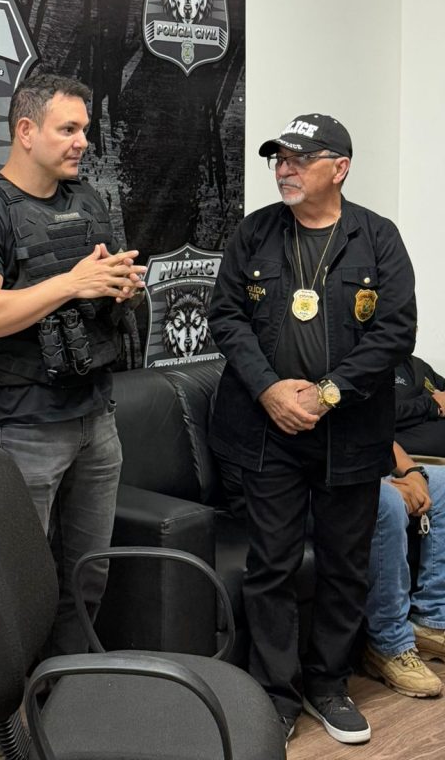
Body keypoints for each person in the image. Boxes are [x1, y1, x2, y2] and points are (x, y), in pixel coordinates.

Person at [208, 113, 416, 745]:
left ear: (340, 168)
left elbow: (395, 331)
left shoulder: (377, 238)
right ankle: (274, 694)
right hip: (267, 431)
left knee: (345, 565)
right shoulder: (254, 233)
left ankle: (328, 685)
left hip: (349, 434)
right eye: (280, 159)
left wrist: (327, 394)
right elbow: (225, 317)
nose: (285, 169)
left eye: (300, 158)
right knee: (270, 566)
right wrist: (271, 389)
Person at [0, 72, 144, 654]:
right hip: (26, 426)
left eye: (85, 128)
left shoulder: (87, 199)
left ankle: (68, 693)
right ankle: (15, 710)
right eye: (68, 129)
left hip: (97, 420)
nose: (83, 141)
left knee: (88, 579)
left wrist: (121, 289)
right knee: (19, 587)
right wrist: (71, 283)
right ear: (26, 131)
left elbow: (97, 291)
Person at [363, 442, 445, 698]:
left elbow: (379, 434)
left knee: (441, 484)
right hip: (315, 481)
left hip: (368, 470)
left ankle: (432, 622)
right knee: (387, 502)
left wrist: (414, 472)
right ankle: (389, 643)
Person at [394, 354, 445, 457]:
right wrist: (433, 404)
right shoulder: (370, 366)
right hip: (408, 459)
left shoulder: (418, 365)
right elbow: (380, 415)